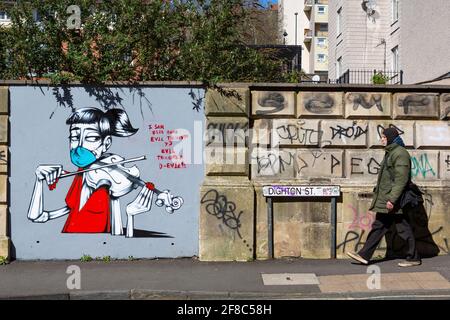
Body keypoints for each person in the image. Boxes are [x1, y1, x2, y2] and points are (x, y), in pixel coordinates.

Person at [27, 107, 154, 237]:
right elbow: (37, 217)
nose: (79, 146)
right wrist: (39, 180)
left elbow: (115, 231)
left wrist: (130, 215)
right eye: (74, 137)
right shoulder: (82, 174)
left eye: (91, 138)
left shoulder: (105, 180)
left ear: (106, 144)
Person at [347, 127, 421, 267]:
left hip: (393, 200)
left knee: (402, 228)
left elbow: (401, 179)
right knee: (380, 226)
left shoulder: (400, 154)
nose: (381, 139)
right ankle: (364, 255)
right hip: (387, 198)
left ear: (390, 138)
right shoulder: (391, 152)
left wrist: (392, 199)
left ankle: (413, 257)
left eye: (384, 137)